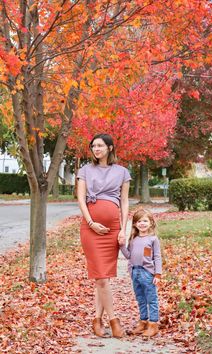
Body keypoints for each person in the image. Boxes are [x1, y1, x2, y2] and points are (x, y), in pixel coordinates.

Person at [77, 133, 131, 338]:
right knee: (101, 277)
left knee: (103, 278)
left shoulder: (122, 172)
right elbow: (81, 199)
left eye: (100, 146)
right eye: (93, 146)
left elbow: (124, 202)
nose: (96, 149)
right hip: (91, 229)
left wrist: (123, 230)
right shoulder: (85, 170)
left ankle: (96, 320)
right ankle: (113, 320)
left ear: (110, 148)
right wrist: (91, 222)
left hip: (112, 230)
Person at [119, 208, 162, 337]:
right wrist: (121, 246)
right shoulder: (133, 239)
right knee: (141, 299)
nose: (142, 223)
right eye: (139, 221)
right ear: (135, 224)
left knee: (151, 299)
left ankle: (153, 324)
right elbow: (128, 255)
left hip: (147, 272)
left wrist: (157, 274)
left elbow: (157, 257)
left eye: (145, 221)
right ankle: (143, 322)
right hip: (135, 272)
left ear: (151, 223)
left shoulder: (153, 239)